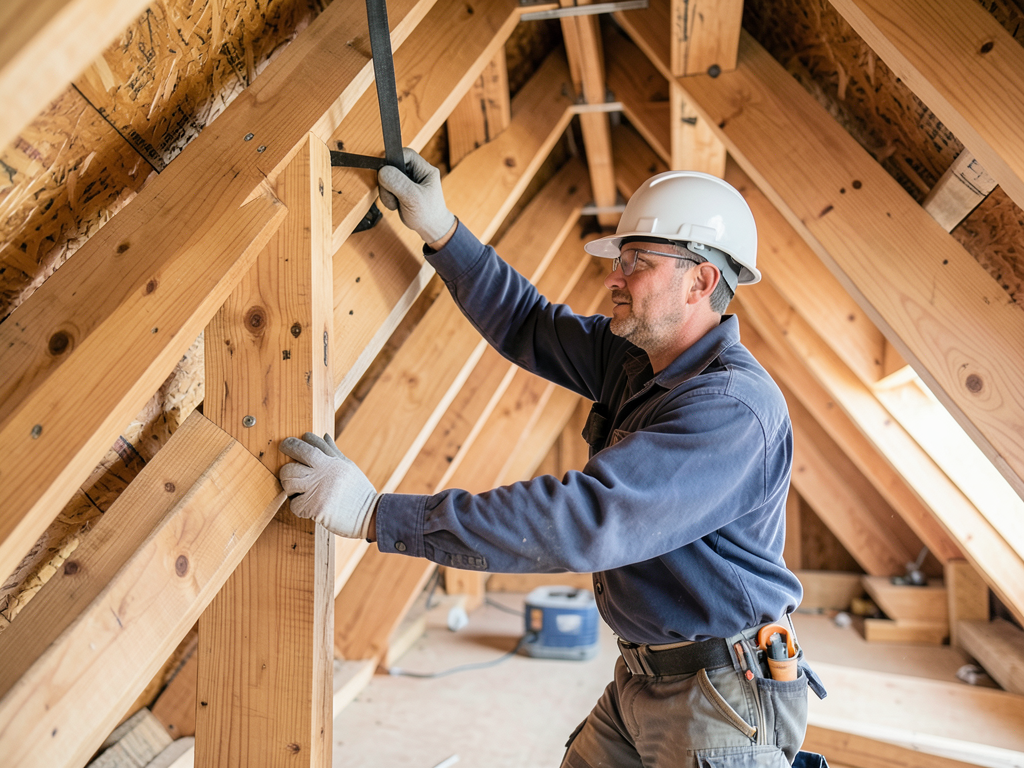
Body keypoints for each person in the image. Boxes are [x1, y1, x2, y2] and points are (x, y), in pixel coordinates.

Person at [278, 149, 827, 768]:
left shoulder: (730, 408)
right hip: (644, 675)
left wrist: (376, 515)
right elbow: (530, 324)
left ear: (700, 281)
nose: (613, 279)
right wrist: (443, 232)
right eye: (619, 261)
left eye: (637, 263)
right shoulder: (638, 360)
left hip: (721, 695)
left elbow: (584, 520)